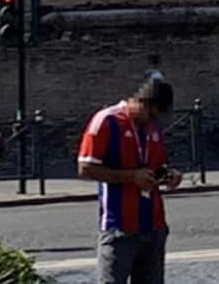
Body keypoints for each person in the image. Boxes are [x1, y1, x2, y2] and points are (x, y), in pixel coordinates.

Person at [78, 74, 181, 284]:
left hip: (153, 225)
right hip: (119, 227)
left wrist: (169, 175)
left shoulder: (153, 127)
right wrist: (132, 177)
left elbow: (157, 166)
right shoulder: (107, 120)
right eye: (151, 114)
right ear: (141, 102)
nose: (154, 121)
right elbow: (85, 168)